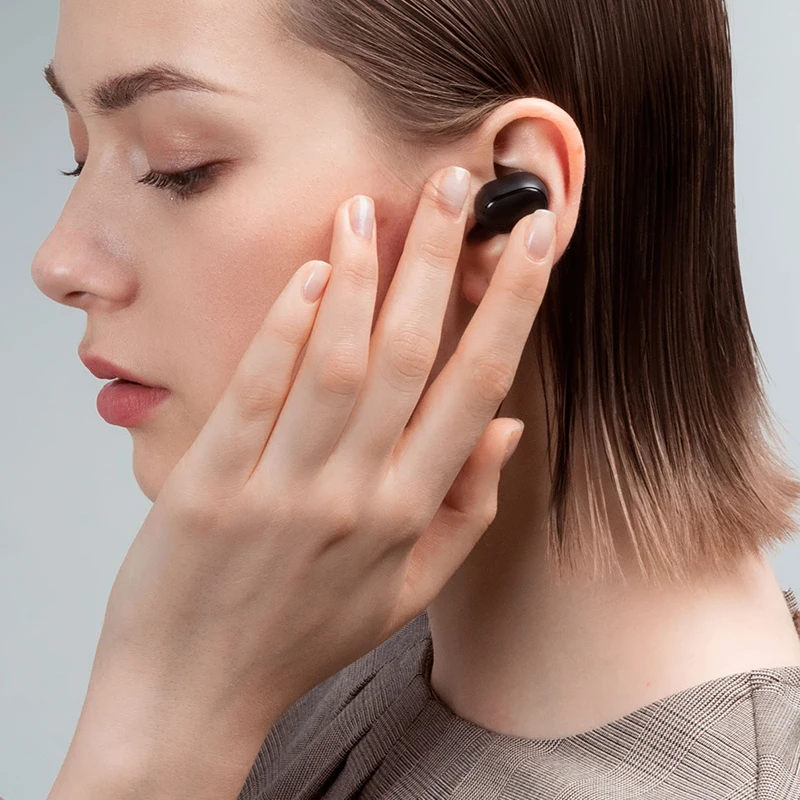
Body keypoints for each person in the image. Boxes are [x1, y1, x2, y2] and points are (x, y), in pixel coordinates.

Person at [32, 0, 800, 798]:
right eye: (78, 157)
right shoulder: (288, 646)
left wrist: (161, 731)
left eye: (178, 164)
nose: (58, 262)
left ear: (512, 202)